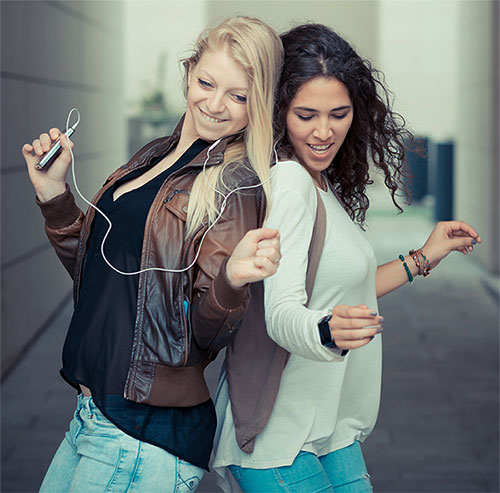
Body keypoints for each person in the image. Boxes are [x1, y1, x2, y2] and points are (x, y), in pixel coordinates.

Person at [213, 23, 482, 492]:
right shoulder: (292, 185)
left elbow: (339, 289)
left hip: (330, 429)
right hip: (281, 436)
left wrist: (423, 257)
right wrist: (325, 330)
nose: (324, 131)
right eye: (306, 115)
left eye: (339, 114)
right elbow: (280, 313)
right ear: (278, 113)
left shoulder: (321, 183)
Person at [21, 16, 283, 492]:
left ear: (259, 103)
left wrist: (231, 282)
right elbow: (102, 274)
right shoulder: (154, 155)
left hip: (143, 432)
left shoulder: (235, 183)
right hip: (95, 412)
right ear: (188, 72)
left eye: (239, 96)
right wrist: (54, 195)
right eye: (207, 82)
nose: (216, 104)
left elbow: (204, 333)